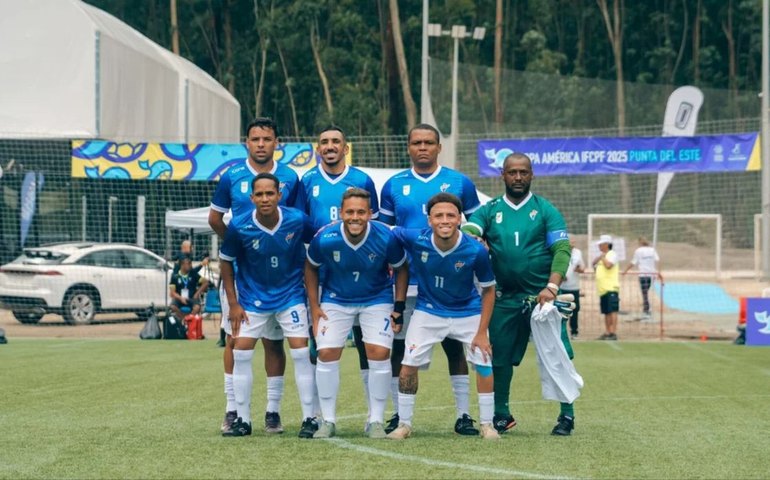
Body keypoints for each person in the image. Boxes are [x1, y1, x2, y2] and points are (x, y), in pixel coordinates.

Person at [462, 152, 578, 436]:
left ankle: (567, 415)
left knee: (556, 354)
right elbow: (469, 228)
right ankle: (502, 414)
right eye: (512, 172)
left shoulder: (546, 209)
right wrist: (472, 237)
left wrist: (551, 286)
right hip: (503, 297)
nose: (517, 177)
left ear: (531, 175)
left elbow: (562, 250)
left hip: (542, 298)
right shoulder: (490, 210)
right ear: (502, 175)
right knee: (498, 357)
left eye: (523, 172)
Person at [379, 123, 482, 436]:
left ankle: (464, 415)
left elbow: (477, 227)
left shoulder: (459, 182)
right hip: (406, 281)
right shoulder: (394, 184)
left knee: (455, 348)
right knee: (401, 349)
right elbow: (385, 230)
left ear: (439, 147)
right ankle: (400, 415)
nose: (422, 148)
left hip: (452, 281)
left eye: (428, 143)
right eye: (416, 143)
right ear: (408, 147)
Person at [208, 117, 303, 436]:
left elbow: (297, 224)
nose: (261, 143)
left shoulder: (290, 176)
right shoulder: (231, 176)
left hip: (282, 279)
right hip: (241, 277)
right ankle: (233, 409)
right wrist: (241, 246)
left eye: (267, 138)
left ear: (277, 142)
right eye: (255, 138)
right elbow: (215, 218)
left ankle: (272, 413)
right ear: (245, 142)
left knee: (275, 344)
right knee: (236, 340)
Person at [386, 193, 499, 440]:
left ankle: (487, 425)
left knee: (484, 364)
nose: (444, 220)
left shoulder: (475, 250)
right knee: (407, 366)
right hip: (428, 310)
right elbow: (389, 229)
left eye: (450, 215)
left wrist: (481, 333)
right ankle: (404, 424)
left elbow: (489, 289)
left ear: (460, 219)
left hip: (468, 311)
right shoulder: (416, 238)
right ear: (429, 220)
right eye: (438, 215)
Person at [304, 188, 409, 439]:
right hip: (336, 299)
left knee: (379, 352)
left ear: (370, 214)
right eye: (349, 212)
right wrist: (315, 307)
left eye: (361, 212)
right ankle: (327, 420)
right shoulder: (326, 237)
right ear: (341, 213)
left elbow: (402, 269)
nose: (355, 217)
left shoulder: (386, 236)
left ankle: (375, 420)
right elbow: (310, 267)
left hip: (376, 299)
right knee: (326, 352)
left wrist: (398, 307)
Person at [218, 173, 317, 437]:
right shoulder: (239, 226)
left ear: (279, 195)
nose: (265, 199)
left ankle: (309, 418)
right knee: (240, 351)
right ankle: (243, 420)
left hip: (291, 296)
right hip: (252, 299)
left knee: (299, 352)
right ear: (251, 198)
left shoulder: (297, 219)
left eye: (269, 193)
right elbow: (226, 262)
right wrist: (233, 303)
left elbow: (317, 246)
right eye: (259, 194)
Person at [299, 126, 381, 415]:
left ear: (346, 148)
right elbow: (301, 225)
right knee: (319, 346)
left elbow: (375, 226)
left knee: (366, 344)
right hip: (321, 275)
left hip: (360, 275)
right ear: (317, 148)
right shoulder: (307, 180)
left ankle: (374, 415)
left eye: (336, 141)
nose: (330, 146)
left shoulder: (362, 179)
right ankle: (316, 416)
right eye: (324, 142)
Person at [622, 236, 662, 320]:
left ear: (640, 243)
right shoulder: (652, 250)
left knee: (644, 292)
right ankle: (646, 306)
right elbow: (658, 260)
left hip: (643, 274)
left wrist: (625, 270)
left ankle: (647, 309)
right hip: (651, 274)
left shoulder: (638, 251)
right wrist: (658, 272)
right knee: (646, 292)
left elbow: (633, 262)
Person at [593, 234, 620, 340]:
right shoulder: (602, 256)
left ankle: (613, 332)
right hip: (602, 289)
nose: (599, 246)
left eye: (601, 244)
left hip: (611, 287)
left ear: (607, 244)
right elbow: (594, 264)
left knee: (612, 310)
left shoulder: (612, 254)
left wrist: (602, 257)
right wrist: (600, 257)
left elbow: (609, 265)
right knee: (606, 311)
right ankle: (607, 332)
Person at [168, 255, 208, 321]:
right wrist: (180, 298)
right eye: (188, 264)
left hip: (192, 298)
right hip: (180, 298)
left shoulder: (193, 274)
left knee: (197, 307)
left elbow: (206, 282)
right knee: (172, 307)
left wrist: (197, 294)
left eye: (191, 263)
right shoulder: (175, 276)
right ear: (182, 265)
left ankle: (190, 320)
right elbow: (172, 293)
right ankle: (183, 319)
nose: (191, 265)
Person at [560, 236, 585, 339]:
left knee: (574, 310)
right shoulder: (560, 251)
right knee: (561, 310)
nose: (573, 242)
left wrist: (579, 269)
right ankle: (561, 332)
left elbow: (582, 267)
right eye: (571, 240)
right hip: (562, 286)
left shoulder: (578, 253)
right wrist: (561, 275)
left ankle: (574, 332)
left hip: (574, 287)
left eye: (574, 241)